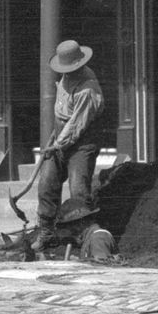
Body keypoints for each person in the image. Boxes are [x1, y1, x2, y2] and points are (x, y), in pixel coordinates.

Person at [31, 39, 112, 256]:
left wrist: (58, 144)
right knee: (47, 183)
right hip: (61, 135)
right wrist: (56, 137)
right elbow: (62, 112)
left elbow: (77, 124)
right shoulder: (66, 77)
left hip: (82, 141)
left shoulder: (88, 88)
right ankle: (47, 232)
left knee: (78, 189)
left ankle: (84, 236)